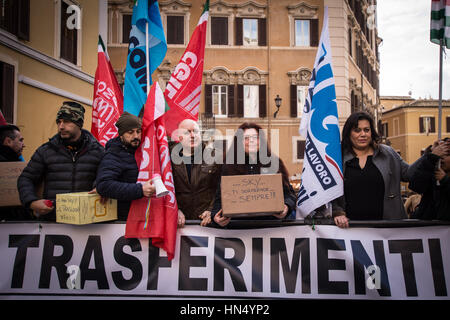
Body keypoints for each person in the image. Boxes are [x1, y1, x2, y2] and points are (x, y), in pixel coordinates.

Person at [17, 101, 104, 221]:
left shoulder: (98, 151)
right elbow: (26, 178)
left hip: (88, 221)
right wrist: (31, 202)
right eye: (59, 122)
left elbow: (106, 177)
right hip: (53, 221)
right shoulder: (46, 150)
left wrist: (100, 187)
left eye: (66, 122)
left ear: (79, 123)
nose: (61, 127)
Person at [211, 122, 296, 227]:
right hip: (237, 229)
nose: (251, 141)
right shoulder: (228, 166)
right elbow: (219, 198)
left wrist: (286, 208)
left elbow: (290, 195)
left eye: (255, 137)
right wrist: (215, 217)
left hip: (269, 227)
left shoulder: (275, 163)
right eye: (246, 138)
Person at [333, 111, 410, 228]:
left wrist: (430, 156)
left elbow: (409, 174)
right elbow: (329, 191)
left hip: (387, 232)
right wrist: (337, 212)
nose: (363, 134)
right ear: (349, 133)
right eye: (357, 130)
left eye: (366, 130)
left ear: (372, 132)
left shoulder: (388, 153)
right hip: (349, 232)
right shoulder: (338, 158)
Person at [96, 112, 156, 221]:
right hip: (125, 220)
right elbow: (103, 185)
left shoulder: (144, 151)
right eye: (130, 132)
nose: (136, 136)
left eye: (138, 132)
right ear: (121, 134)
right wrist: (140, 190)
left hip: (146, 216)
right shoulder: (114, 154)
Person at [171, 119, 222, 227]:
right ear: (179, 137)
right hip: (180, 223)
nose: (192, 135)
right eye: (187, 132)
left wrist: (212, 210)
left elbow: (221, 187)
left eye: (195, 131)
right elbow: (168, 189)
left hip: (207, 222)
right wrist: (175, 210)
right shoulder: (169, 159)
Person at [407, 138, 450, 221]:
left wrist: (445, 180)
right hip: (429, 229)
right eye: (441, 153)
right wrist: (431, 156)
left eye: (447, 154)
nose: (442, 157)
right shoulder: (430, 171)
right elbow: (415, 186)